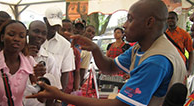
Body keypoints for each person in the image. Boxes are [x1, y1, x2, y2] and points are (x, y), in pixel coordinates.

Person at [26, 0, 187, 106]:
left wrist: (62, 95)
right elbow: (109, 67)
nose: (124, 25)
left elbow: (120, 105)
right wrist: (95, 49)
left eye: (130, 19)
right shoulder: (142, 47)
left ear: (149, 22)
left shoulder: (156, 61)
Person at [0, 20, 44, 106]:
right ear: (2, 37)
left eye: (21, 36)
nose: (16, 39)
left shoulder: (29, 61)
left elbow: (41, 98)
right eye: (11, 34)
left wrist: (40, 78)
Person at [23, 20, 60, 106]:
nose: (39, 36)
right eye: (36, 31)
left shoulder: (49, 59)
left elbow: (54, 88)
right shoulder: (17, 55)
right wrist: (25, 56)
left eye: (43, 33)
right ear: (28, 32)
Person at [41, 6, 75, 94]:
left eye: (57, 25)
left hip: (53, 91)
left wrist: (59, 98)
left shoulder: (66, 45)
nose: (54, 27)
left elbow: (65, 73)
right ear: (45, 20)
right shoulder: (34, 40)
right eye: (52, 24)